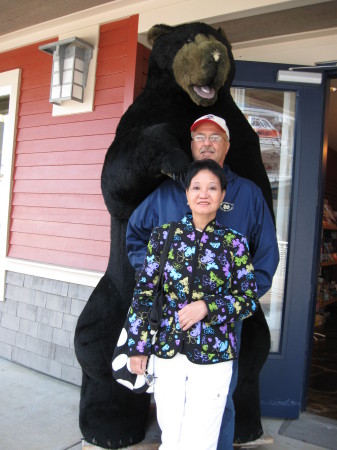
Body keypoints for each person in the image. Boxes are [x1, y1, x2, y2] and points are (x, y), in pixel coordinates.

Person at [126, 114, 280, 448]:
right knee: (171, 410)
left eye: (215, 137)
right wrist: (157, 279)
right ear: (191, 146)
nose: (207, 143)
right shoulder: (168, 194)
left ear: (227, 146)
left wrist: (223, 308)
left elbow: (265, 261)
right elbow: (137, 239)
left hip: (220, 328)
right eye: (200, 137)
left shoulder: (248, 196)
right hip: (170, 324)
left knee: (216, 405)